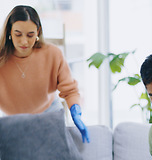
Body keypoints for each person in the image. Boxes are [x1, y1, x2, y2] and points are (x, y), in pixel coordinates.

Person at [0, 5, 89, 143]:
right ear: (9, 32)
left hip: (49, 116)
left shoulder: (53, 54)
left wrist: (75, 111)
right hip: (13, 122)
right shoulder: (1, 59)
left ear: (38, 32)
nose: (24, 41)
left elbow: (70, 90)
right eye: (18, 34)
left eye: (30, 35)